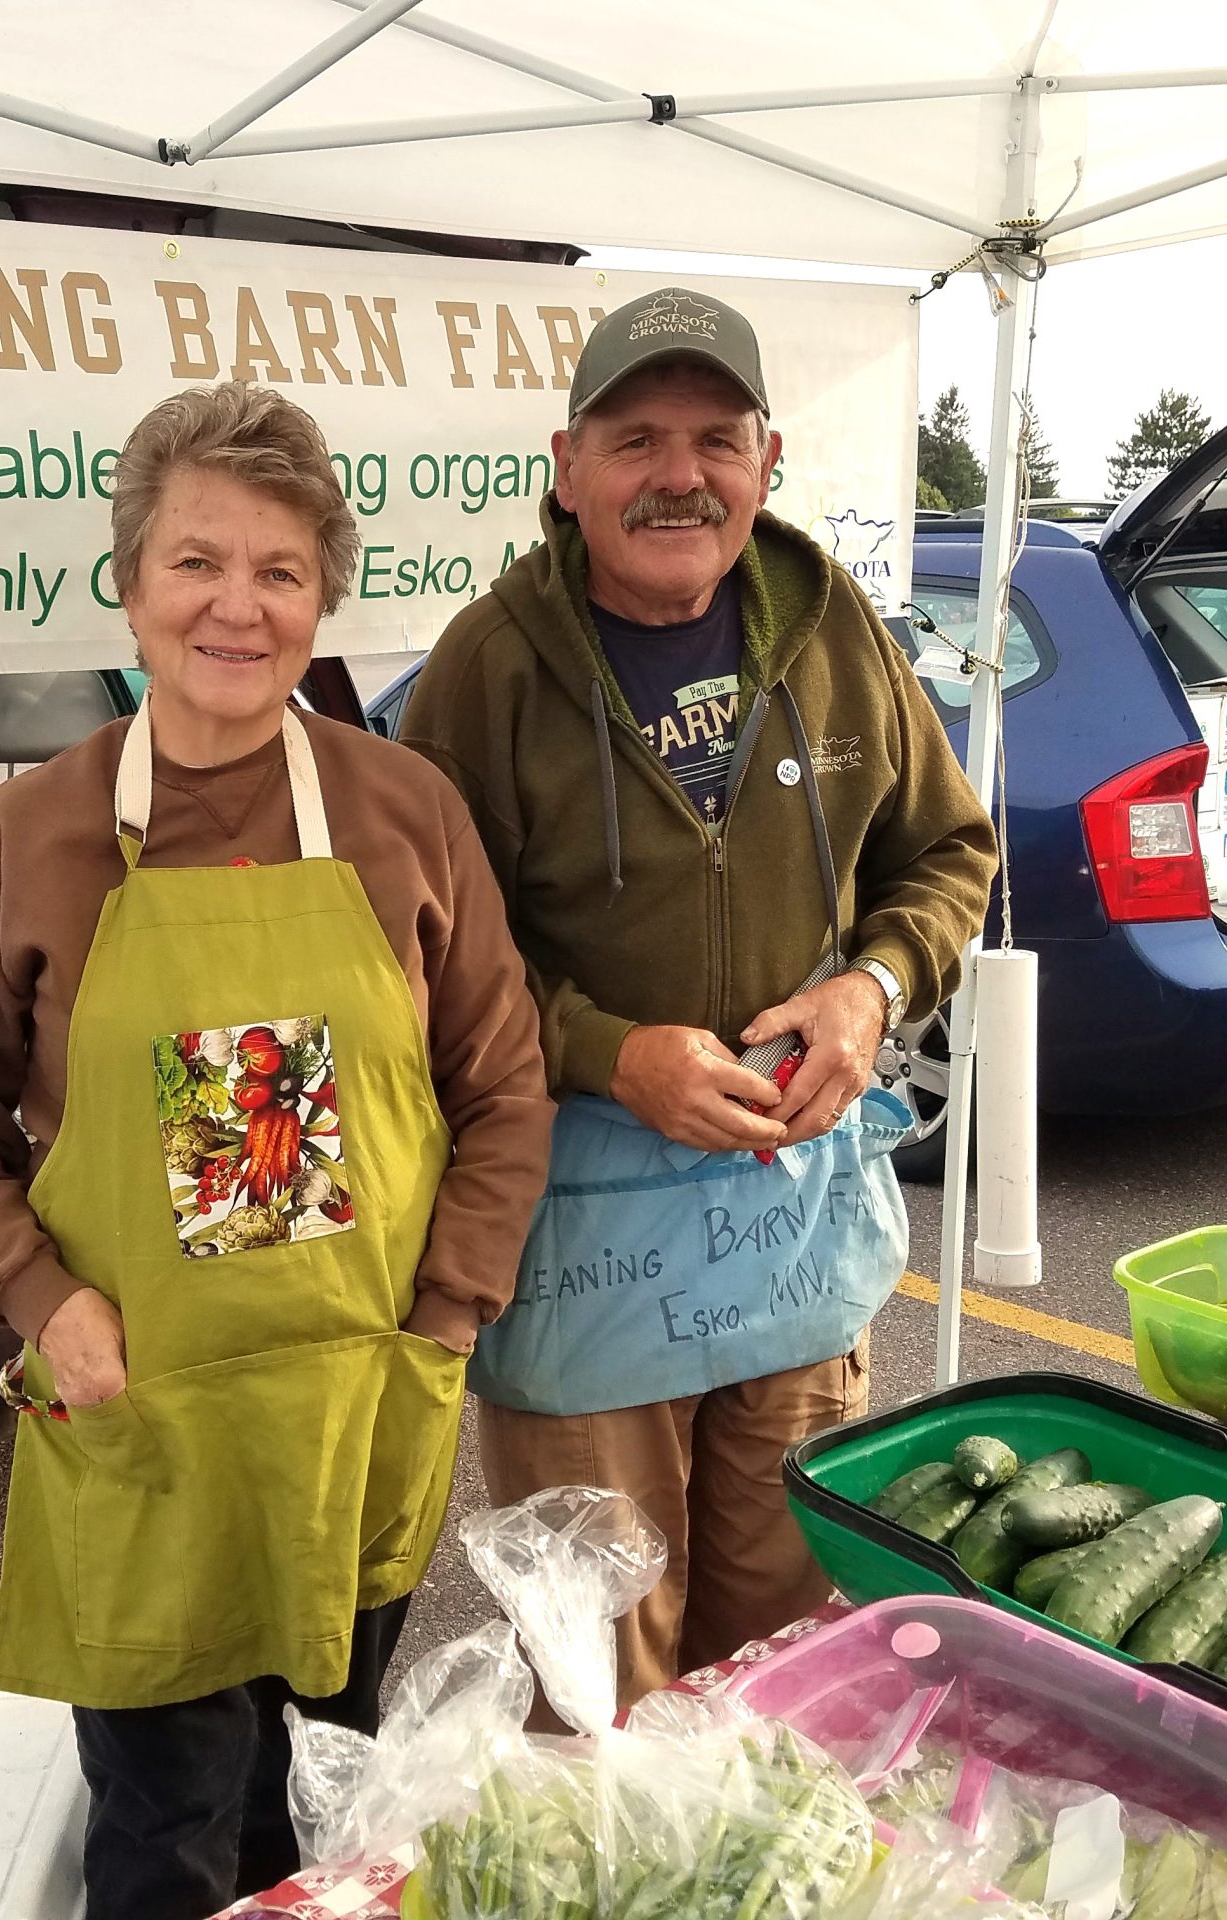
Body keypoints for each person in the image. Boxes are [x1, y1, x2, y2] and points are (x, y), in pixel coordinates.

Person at [0, 380, 552, 1920]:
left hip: (351, 1411)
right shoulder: (28, 836)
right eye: (198, 563)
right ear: (130, 581)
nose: (236, 608)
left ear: (324, 600)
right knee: (161, 1829)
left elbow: (504, 1089)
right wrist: (44, 1303)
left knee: (321, 1798)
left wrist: (445, 1312)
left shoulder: (403, 810)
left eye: (281, 573)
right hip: (147, 1418)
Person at [401, 286, 997, 1705]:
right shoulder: (483, 673)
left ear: (767, 460)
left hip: (798, 1250)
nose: (681, 474)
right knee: (601, 1682)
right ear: (567, 465)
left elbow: (948, 854)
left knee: (794, 1661)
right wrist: (611, 1053)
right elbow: (423, 963)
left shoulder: (834, 625)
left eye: (716, 439)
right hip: (585, 1264)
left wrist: (873, 985)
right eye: (638, 439)